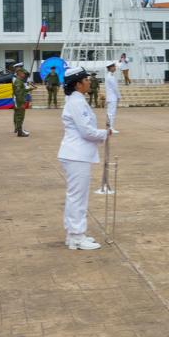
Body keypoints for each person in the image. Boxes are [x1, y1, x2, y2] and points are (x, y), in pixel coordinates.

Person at [57, 67, 108, 251]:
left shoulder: (76, 100)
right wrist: (104, 133)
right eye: (86, 80)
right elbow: (87, 131)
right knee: (78, 197)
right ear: (78, 84)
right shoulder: (77, 102)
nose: (90, 82)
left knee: (76, 196)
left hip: (75, 154)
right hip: (76, 154)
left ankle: (73, 234)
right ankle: (77, 236)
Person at [12, 64, 33, 136]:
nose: (24, 74)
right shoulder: (18, 81)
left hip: (21, 100)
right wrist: (21, 103)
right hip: (19, 101)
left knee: (21, 115)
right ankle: (19, 131)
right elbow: (18, 93)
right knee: (19, 115)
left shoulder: (20, 81)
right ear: (19, 73)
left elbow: (23, 90)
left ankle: (20, 129)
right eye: (23, 73)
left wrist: (31, 89)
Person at [104, 61, 121, 133]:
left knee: (109, 113)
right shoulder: (111, 77)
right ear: (111, 68)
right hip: (113, 97)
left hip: (110, 97)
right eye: (114, 67)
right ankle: (110, 127)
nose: (115, 68)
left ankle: (108, 126)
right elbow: (115, 88)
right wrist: (119, 96)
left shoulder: (108, 76)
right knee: (112, 113)